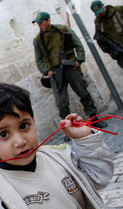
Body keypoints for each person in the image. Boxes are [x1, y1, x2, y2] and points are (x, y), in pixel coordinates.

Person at [32, 11, 107, 139]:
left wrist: (79, 60)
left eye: (41, 22)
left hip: (70, 66)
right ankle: (69, 129)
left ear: (48, 20)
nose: (40, 25)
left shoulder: (63, 30)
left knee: (83, 92)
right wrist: (46, 71)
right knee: (61, 102)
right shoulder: (38, 39)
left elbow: (77, 44)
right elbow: (38, 59)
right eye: (38, 23)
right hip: (56, 71)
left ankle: (94, 119)